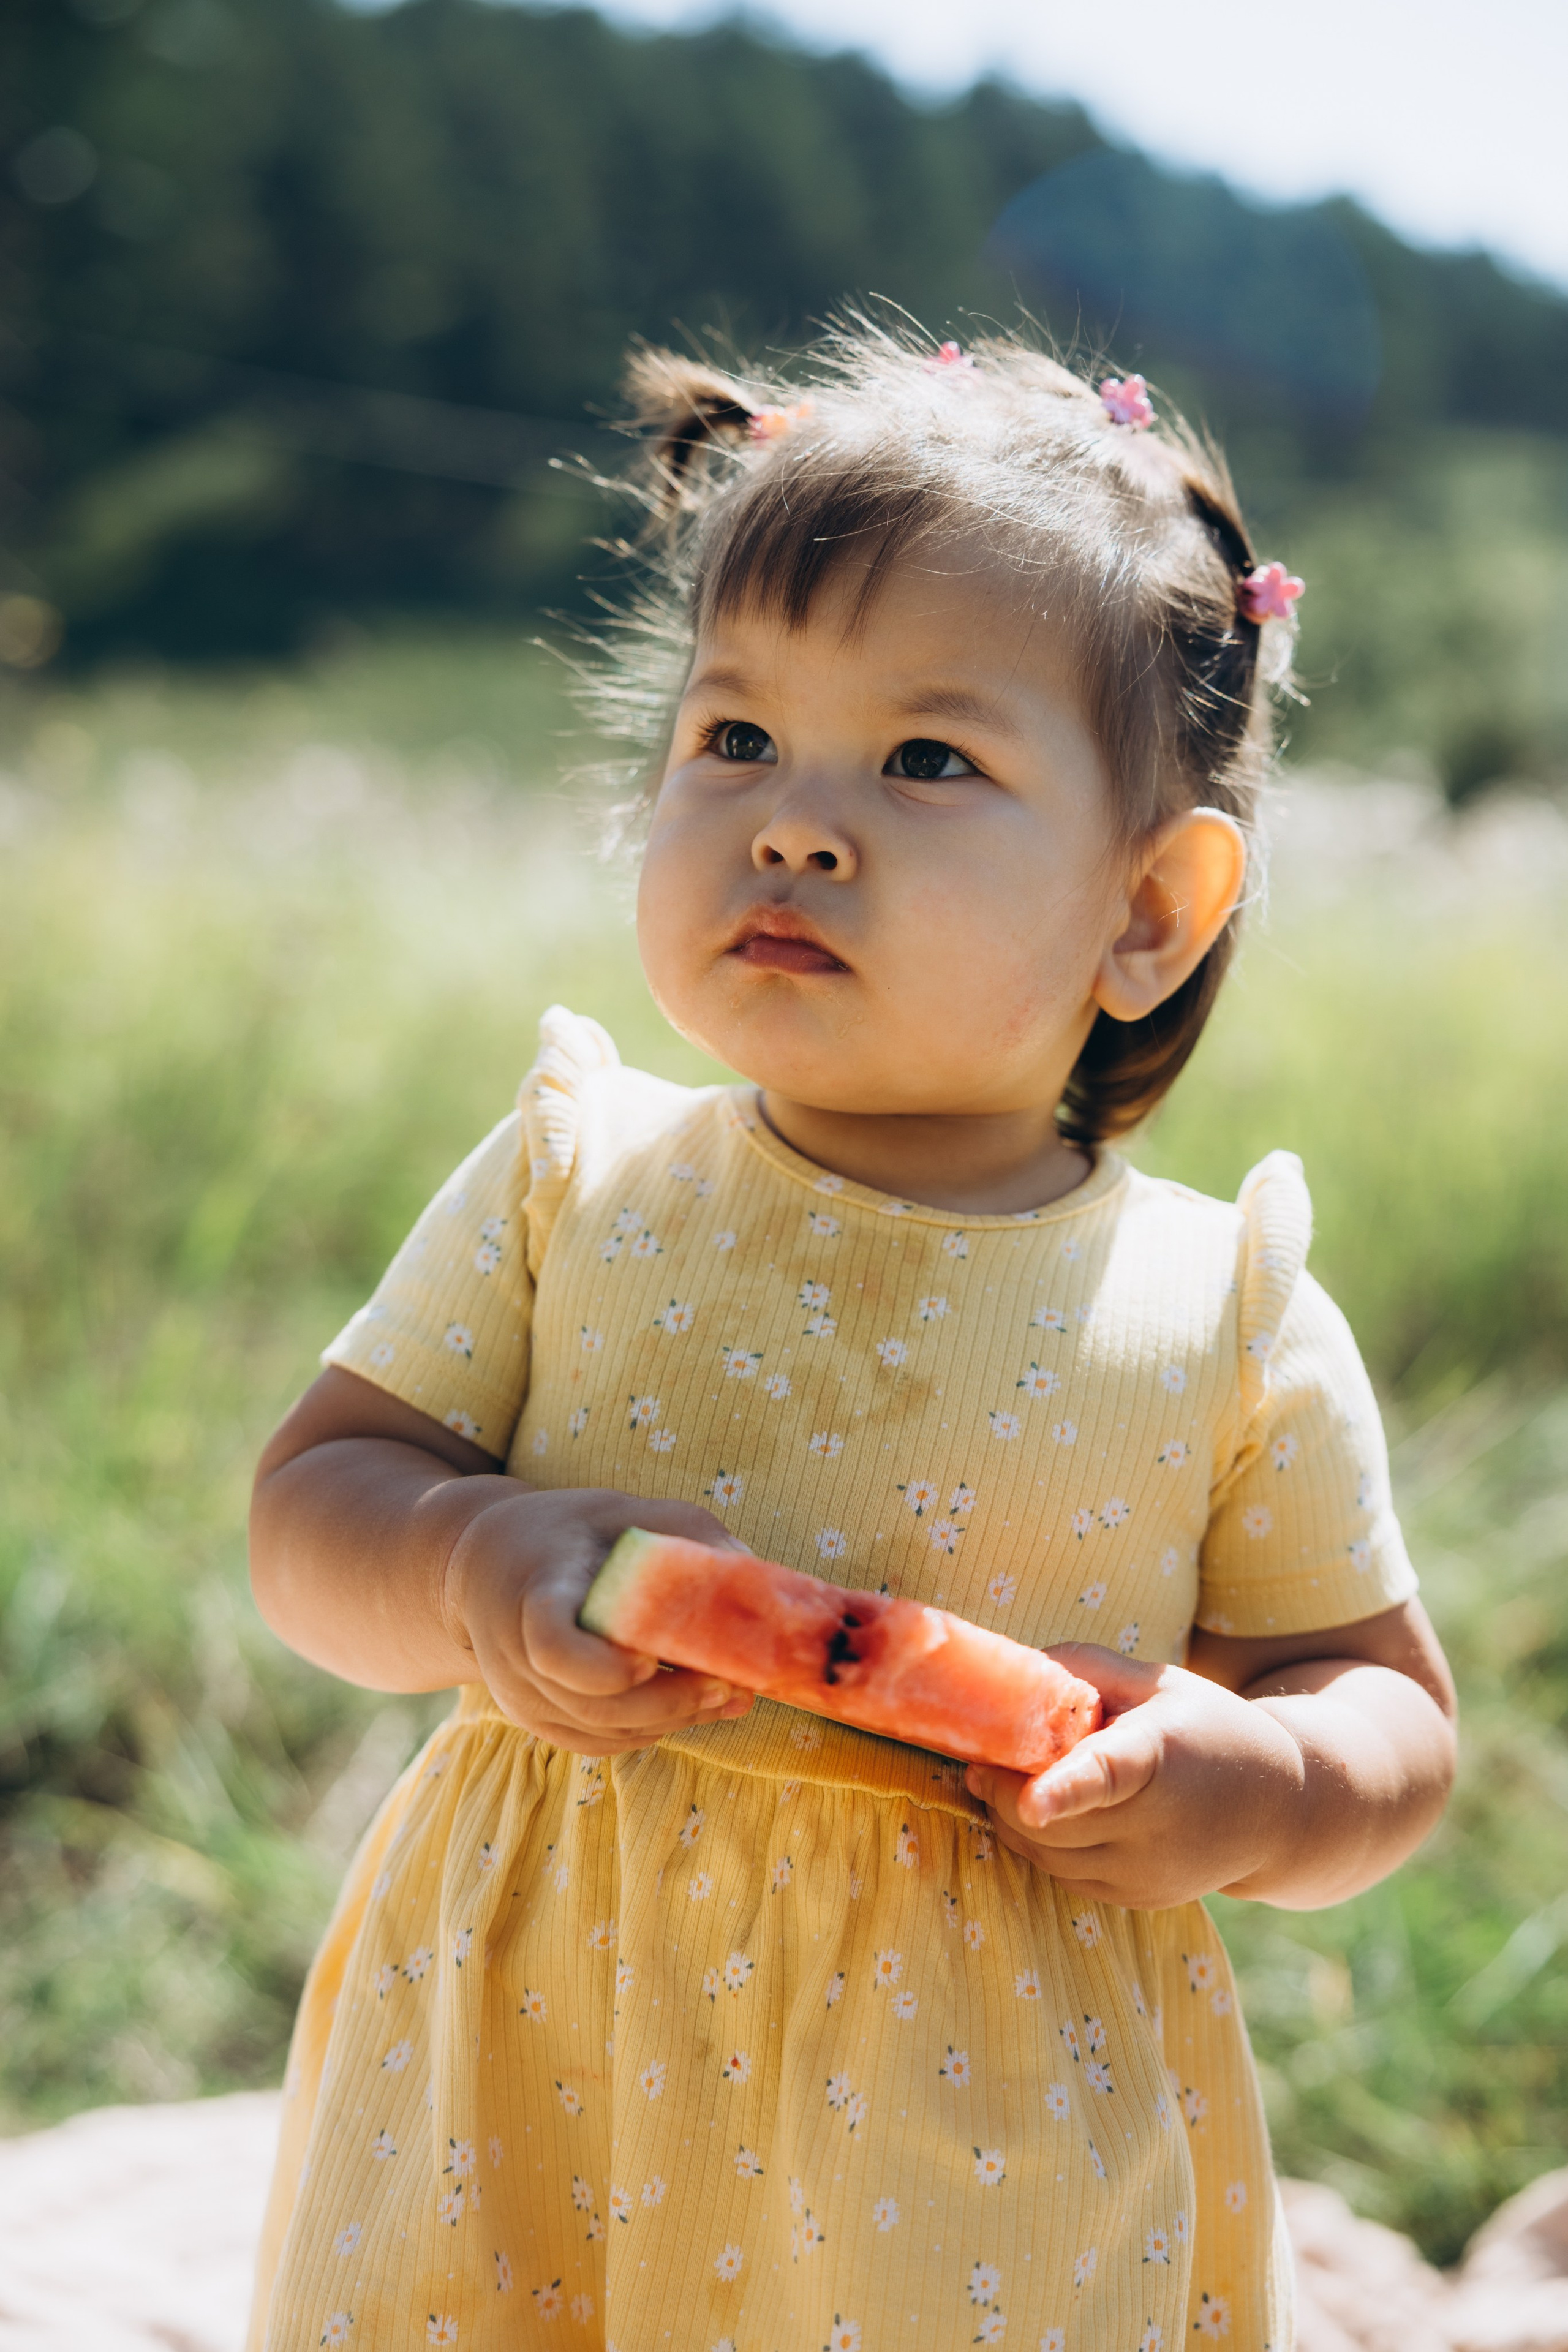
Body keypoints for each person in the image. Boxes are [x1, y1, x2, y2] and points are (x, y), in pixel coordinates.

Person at [245, 323, 1457, 2352]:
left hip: (978, 2160)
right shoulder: (577, 1175)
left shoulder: (1222, 1311)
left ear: (1152, 907)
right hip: (525, 2072)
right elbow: (313, 1514)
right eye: (736, 740)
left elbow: (1388, 1717)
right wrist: (463, 1565)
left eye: (924, 761)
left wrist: (1253, 1777)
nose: (795, 824)